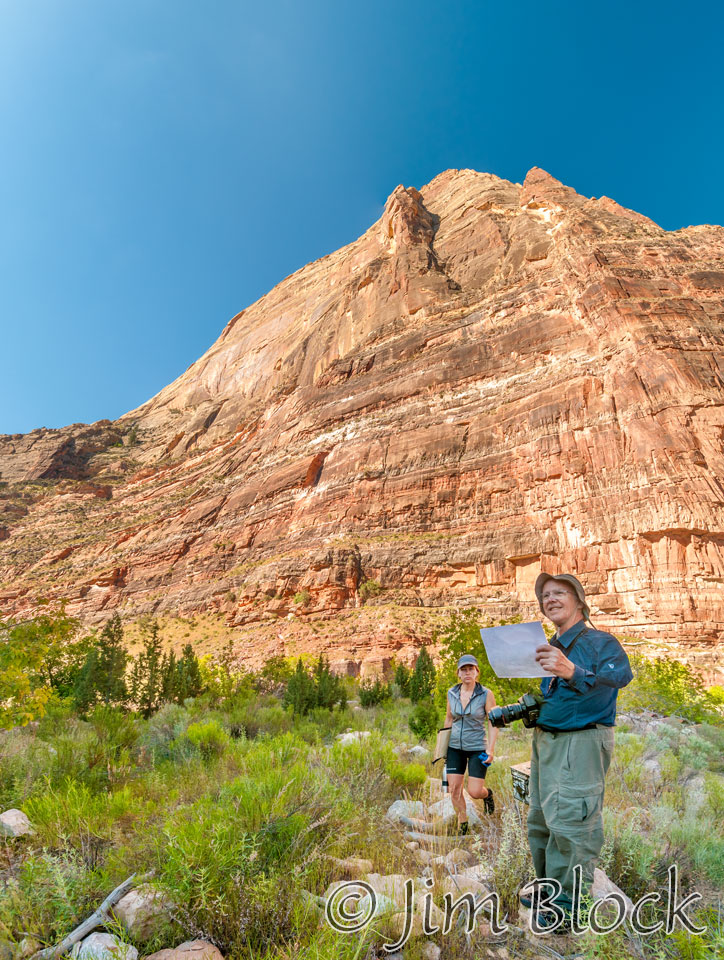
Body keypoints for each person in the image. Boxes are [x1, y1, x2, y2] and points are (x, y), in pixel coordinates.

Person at [523, 573, 633, 932]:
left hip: (581, 744)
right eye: (545, 595)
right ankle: (548, 890)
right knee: (540, 820)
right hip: (546, 742)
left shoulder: (602, 643)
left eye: (559, 593)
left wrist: (572, 670)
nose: (550, 599)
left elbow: (618, 678)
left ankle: (568, 909)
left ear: (579, 601)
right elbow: (555, 697)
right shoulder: (548, 647)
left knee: (571, 825)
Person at [443, 654, 498, 834]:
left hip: (477, 748)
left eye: (471, 669)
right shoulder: (451, 693)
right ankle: (463, 824)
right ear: (458, 673)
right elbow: (449, 719)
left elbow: (493, 721)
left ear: (476, 672)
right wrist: (441, 749)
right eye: (463, 669)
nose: (467, 672)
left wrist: (490, 749)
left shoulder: (486, 694)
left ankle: (487, 795)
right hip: (454, 748)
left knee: (474, 791)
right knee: (454, 790)